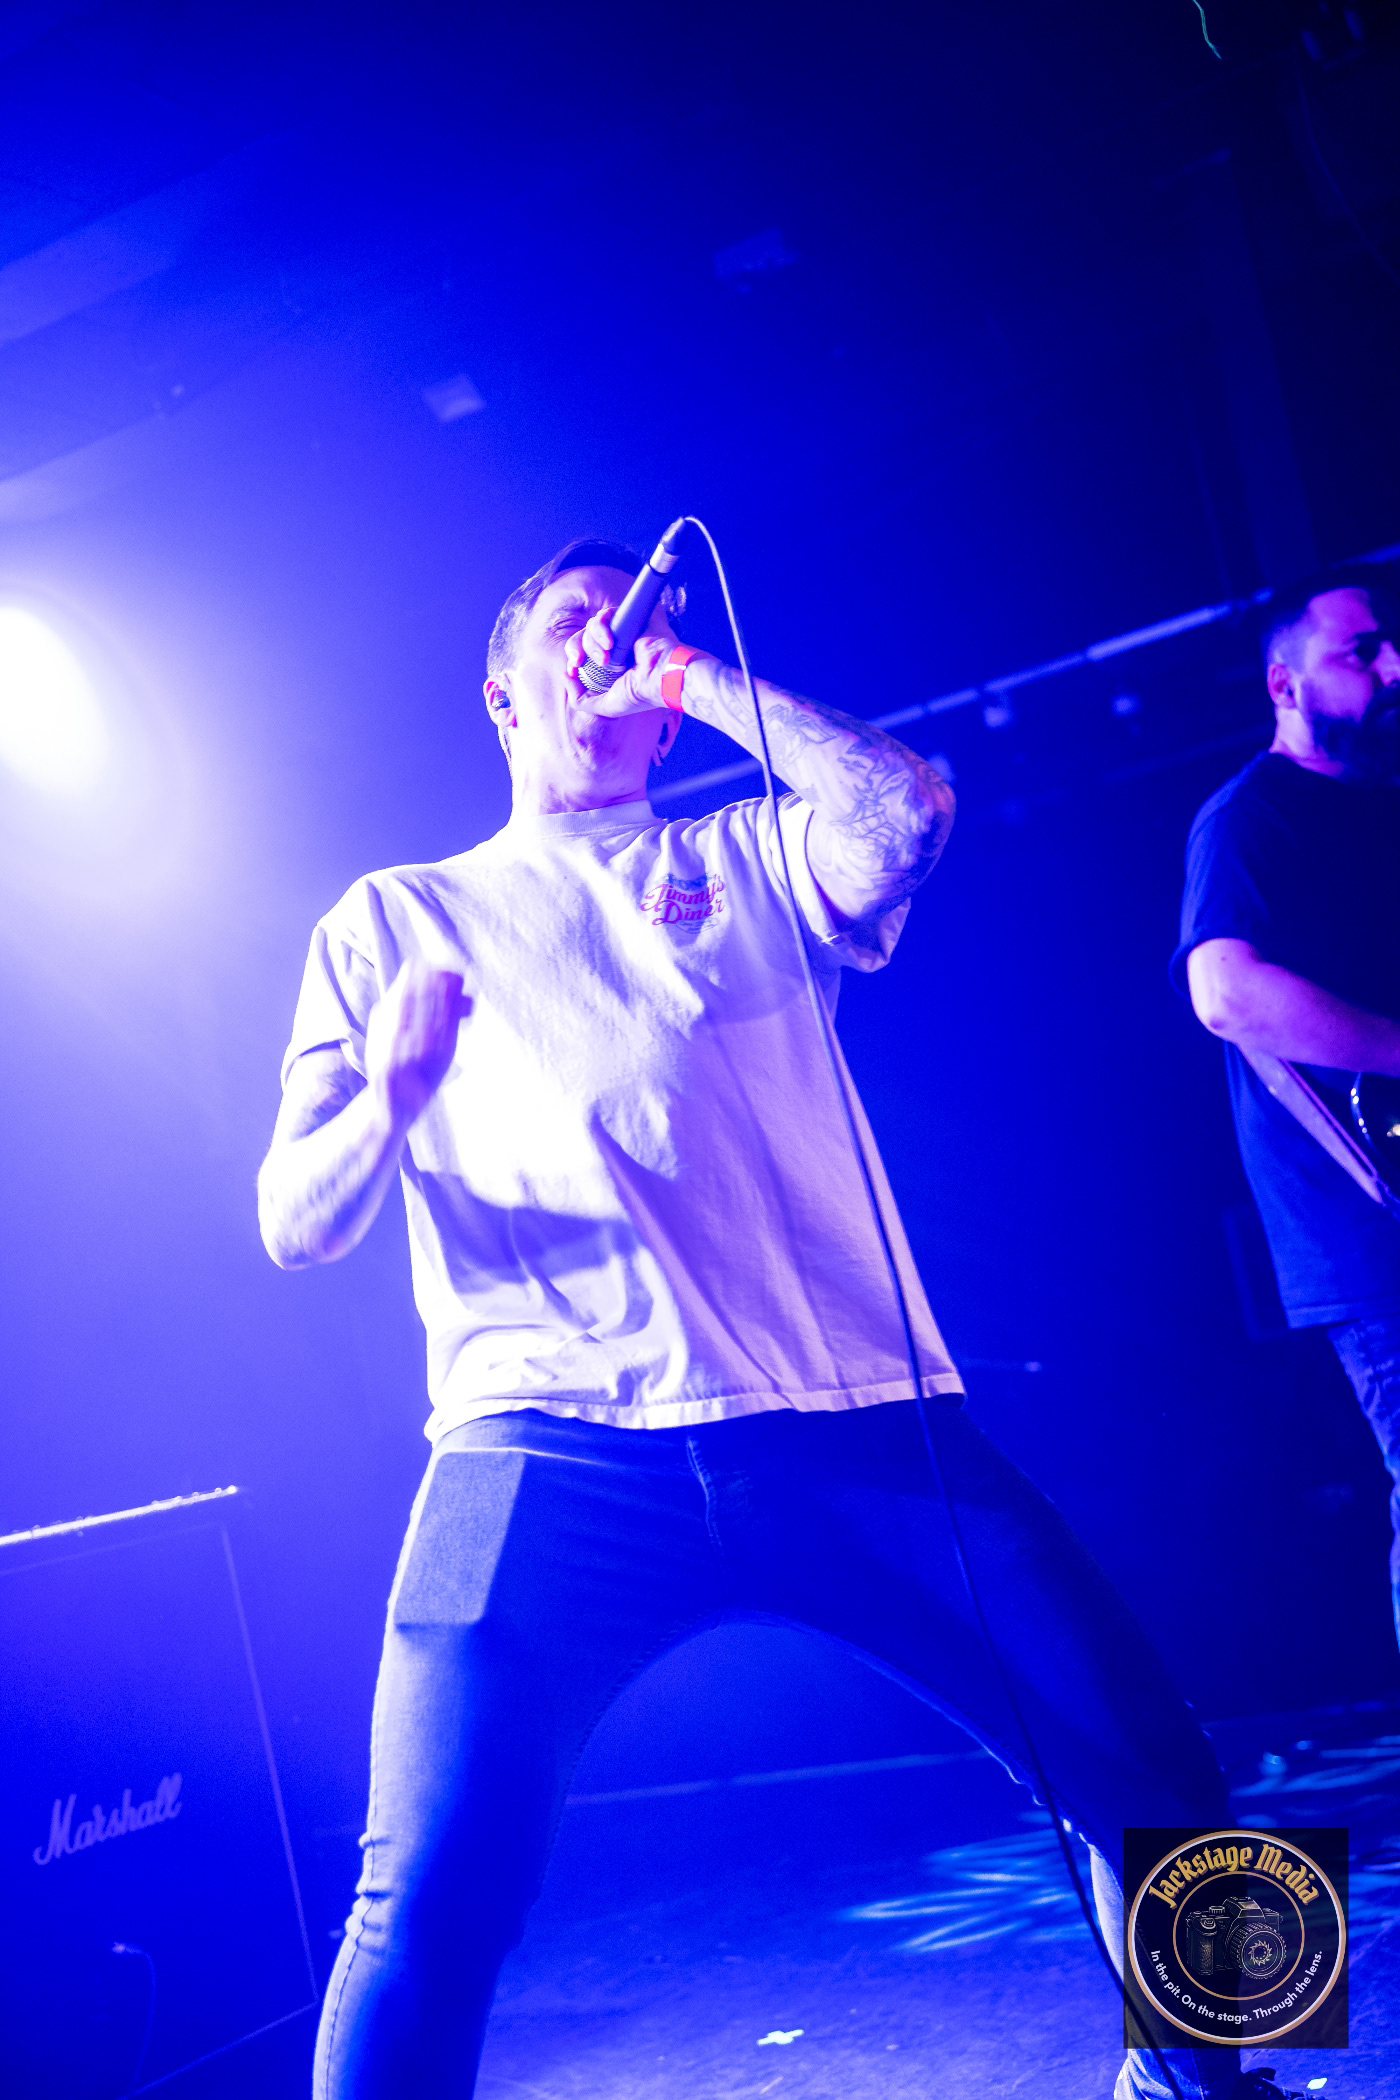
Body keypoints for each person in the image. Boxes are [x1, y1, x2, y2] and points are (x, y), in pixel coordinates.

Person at [260, 538, 1234, 2100]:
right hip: (540, 1449)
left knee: (1161, 1772)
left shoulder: (751, 853)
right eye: (572, 623)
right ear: (499, 693)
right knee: (425, 1891)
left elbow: (908, 811)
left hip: (852, 1422)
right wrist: (387, 1096)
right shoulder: (390, 918)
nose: (609, 636)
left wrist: (689, 673)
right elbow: (294, 1222)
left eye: (633, 622)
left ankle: (1219, 2086)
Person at [1176, 573, 1400, 1649]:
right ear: (1284, 684)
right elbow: (1224, 994)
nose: (1393, 668)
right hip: (1366, 1224)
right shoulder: (1248, 819)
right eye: (1362, 652)